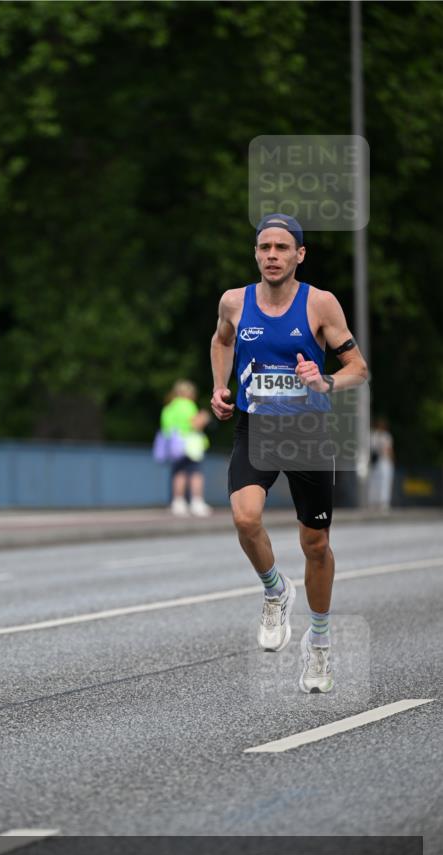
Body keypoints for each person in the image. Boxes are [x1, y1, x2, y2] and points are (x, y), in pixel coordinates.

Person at [210, 214, 369, 693]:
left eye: (282, 247)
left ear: (300, 255)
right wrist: (220, 386)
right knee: (244, 518)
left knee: (315, 545)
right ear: (256, 254)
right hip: (256, 427)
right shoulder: (234, 302)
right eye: (264, 248)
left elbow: (357, 368)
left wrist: (324, 381)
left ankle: (318, 644)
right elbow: (221, 341)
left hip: (308, 433)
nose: (272, 255)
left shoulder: (320, 303)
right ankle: (275, 591)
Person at [160, 380, 213, 516]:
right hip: (190, 443)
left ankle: (178, 503)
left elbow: (165, 428)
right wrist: (204, 418)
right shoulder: (188, 405)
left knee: (179, 473)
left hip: (175, 445)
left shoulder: (169, 408)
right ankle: (197, 502)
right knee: (195, 473)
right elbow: (195, 424)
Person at [368, 417, 395, 511]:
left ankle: (381, 502)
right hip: (379, 461)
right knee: (377, 482)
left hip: (381, 461)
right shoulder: (375, 435)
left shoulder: (381, 436)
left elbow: (388, 450)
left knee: (381, 482)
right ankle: (377, 502)